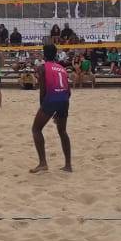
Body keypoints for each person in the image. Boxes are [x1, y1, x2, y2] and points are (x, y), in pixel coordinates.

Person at [30, 44, 72, 174]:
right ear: (56, 54)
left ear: (44, 54)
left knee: (36, 129)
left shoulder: (43, 68)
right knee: (63, 131)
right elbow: (68, 91)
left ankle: (43, 163)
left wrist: (44, 108)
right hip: (64, 99)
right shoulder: (62, 68)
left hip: (51, 98)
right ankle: (68, 165)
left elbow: (43, 90)